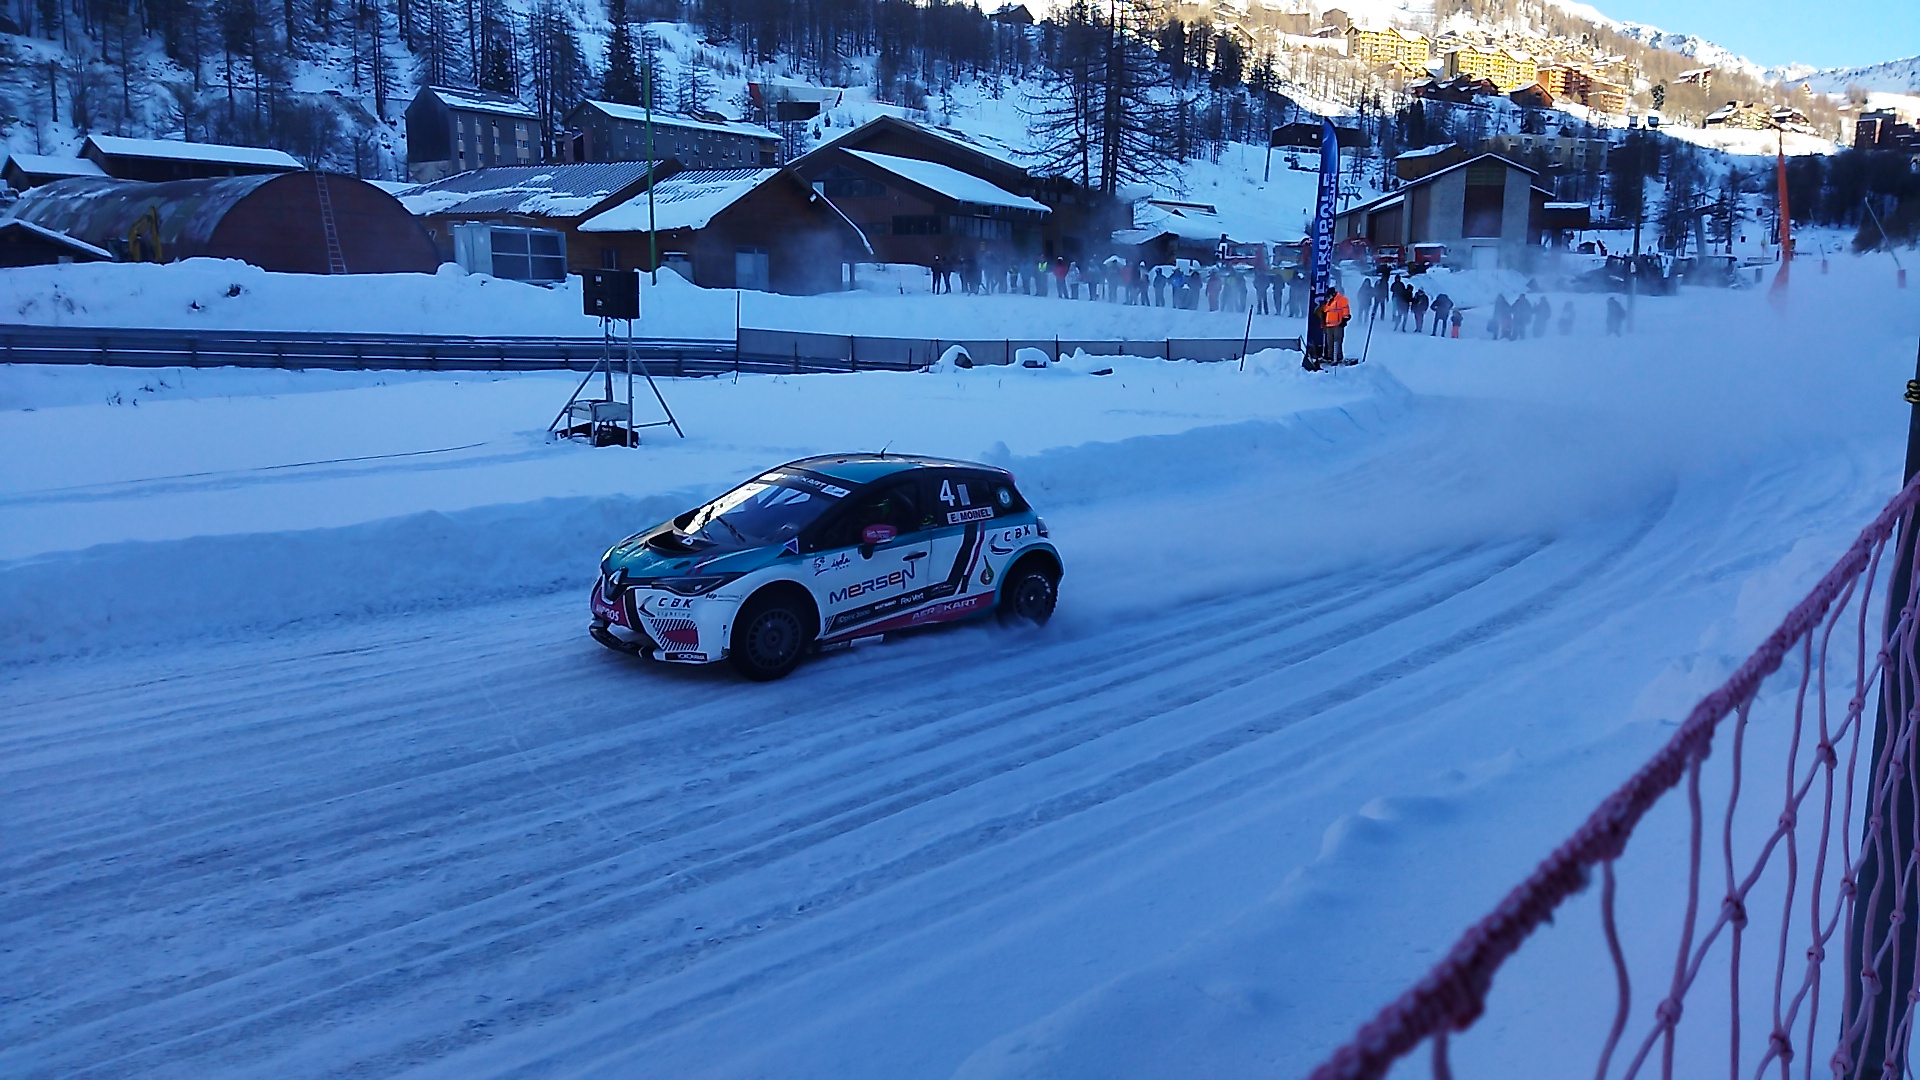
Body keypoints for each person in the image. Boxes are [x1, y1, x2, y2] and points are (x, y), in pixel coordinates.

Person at [1321, 285, 1352, 364]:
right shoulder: (1329, 302)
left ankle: (1337, 357)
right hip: (1329, 325)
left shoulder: (1342, 300)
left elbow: (1346, 311)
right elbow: (1325, 311)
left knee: (1337, 341)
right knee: (1329, 342)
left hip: (1338, 324)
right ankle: (1330, 357)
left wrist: (1344, 320)